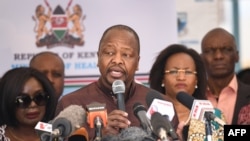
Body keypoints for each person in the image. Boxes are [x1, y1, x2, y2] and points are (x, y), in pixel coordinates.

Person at [56, 24, 179, 140]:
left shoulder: (161, 104)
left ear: (137, 63)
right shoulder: (70, 103)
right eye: (109, 53)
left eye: (126, 54)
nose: (117, 60)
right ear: (98, 58)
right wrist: (99, 135)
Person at [148, 44, 207, 140]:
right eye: (173, 72)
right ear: (162, 79)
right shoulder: (147, 114)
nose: (181, 77)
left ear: (197, 80)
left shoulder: (211, 115)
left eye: (188, 72)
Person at [200, 27, 250, 124]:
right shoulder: (191, 97)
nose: (218, 56)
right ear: (201, 58)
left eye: (226, 50)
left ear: (237, 56)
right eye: (210, 50)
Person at [0, 67, 57, 141]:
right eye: (23, 100)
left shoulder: (58, 133)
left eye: (39, 97)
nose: (33, 105)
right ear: (8, 101)